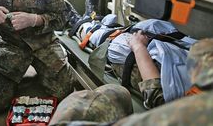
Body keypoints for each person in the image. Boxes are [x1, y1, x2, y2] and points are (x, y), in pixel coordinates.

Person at [66, 0, 196, 109]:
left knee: (114, 41)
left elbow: (156, 97)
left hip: (149, 67)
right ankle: (93, 18)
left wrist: (139, 47)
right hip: (173, 52)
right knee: (148, 27)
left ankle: (80, 24)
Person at [49, 38, 213, 126]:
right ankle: (87, 23)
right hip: (158, 54)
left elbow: (156, 96)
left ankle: (84, 25)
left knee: (81, 102)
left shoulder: (196, 109)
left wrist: (138, 46)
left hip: (133, 57)